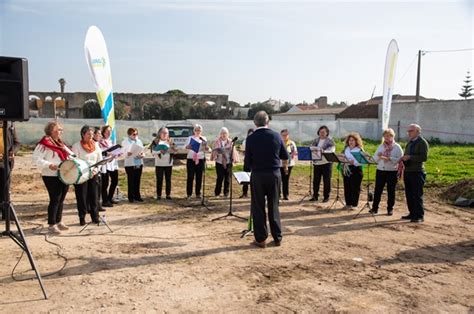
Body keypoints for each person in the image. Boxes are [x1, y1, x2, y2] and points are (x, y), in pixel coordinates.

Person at [244, 111, 289, 248]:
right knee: (273, 205)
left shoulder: (251, 138)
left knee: (258, 206)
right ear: (268, 121)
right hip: (274, 174)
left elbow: (247, 163)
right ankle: (277, 237)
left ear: (254, 123)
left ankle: (261, 238)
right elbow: (285, 155)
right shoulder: (276, 135)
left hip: (258, 175)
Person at [32, 121, 72, 234]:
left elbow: (70, 155)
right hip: (50, 175)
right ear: (51, 131)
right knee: (55, 199)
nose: (61, 132)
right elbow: (36, 159)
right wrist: (49, 165)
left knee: (61, 199)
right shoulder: (44, 144)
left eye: (61, 130)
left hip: (64, 174)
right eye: (58, 130)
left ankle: (59, 221)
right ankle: (51, 224)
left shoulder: (60, 143)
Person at [72, 125, 103, 226]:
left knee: (94, 196)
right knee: (82, 196)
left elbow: (99, 160)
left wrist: (96, 170)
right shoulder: (76, 146)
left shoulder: (96, 145)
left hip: (93, 174)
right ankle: (82, 217)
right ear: (83, 134)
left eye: (92, 134)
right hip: (81, 175)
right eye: (88, 134)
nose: (91, 136)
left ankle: (95, 217)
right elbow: (74, 161)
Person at [370, 128, 404, 216]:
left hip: (392, 171)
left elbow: (400, 159)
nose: (387, 138)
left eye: (389, 136)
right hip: (380, 170)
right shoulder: (381, 146)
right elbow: (375, 159)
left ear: (393, 136)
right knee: (378, 190)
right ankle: (375, 208)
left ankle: (390, 209)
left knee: (391, 191)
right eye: (385, 136)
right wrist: (378, 156)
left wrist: (389, 158)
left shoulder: (397, 147)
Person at [401, 124, 429, 223]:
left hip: (417, 172)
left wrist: (410, 157)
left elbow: (424, 158)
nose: (409, 132)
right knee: (409, 194)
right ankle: (412, 213)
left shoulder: (422, 142)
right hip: (408, 171)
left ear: (418, 131)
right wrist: (404, 158)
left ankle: (419, 216)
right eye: (408, 131)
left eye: (411, 131)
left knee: (417, 194)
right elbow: (406, 154)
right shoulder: (409, 142)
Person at [309, 125, 336, 202]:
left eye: (324, 132)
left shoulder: (330, 141)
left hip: (326, 163)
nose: (322, 133)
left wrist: (323, 151)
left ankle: (326, 197)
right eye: (320, 132)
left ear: (327, 133)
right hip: (317, 163)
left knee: (326, 180)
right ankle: (315, 196)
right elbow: (311, 148)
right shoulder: (316, 140)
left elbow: (332, 150)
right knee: (316, 180)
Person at [211, 127, 239, 198]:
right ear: (220, 134)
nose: (224, 135)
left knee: (227, 179)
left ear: (228, 134)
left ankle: (226, 193)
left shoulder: (230, 142)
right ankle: (217, 193)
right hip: (219, 162)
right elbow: (214, 150)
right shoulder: (217, 141)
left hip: (228, 162)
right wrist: (217, 152)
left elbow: (234, 152)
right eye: (222, 133)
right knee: (219, 178)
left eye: (225, 133)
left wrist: (233, 157)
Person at [0, 122, 20, 221]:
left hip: (6, 162)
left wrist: (13, 151)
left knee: (5, 187)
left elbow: (17, 143)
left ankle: (6, 213)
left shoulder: (10, 125)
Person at [184, 124, 209, 199]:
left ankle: (198, 193)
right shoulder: (189, 138)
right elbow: (184, 147)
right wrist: (187, 147)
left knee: (199, 177)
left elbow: (208, 149)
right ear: (194, 131)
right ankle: (189, 194)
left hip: (200, 159)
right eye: (196, 130)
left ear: (201, 131)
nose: (198, 132)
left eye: (199, 130)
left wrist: (207, 148)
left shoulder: (203, 138)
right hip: (191, 159)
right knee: (190, 177)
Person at [151, 127, 176, 200]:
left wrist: (174, 150)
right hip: (159, 164)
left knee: (168, 179)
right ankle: (159, 195)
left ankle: (168, 195)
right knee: (159, 179)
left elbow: (175, 150)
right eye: (163, 133)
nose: (165, 134)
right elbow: (152, 152)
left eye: (166, 133)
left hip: (168, 163)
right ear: (160, 133)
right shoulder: (156, 141)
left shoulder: (170, 141)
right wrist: (159, 151)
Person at [342, 132, 364, 210]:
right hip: (347, 169)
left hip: (356, 170)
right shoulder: (346, 148)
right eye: (350, 140)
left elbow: (362, 161)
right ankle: (348, 203)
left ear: (356, 141)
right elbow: (342, 157)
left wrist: (354, 162)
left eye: (353, 140)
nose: (351, 142)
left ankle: (354, 205)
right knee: (347, 186)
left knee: (355, 188)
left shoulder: (359, 149)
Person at [122, 127, 145, 203]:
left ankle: (137, 196)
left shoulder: (139, 141)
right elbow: (123, 153)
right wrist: (128, 153)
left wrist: (142, 155)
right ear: (129, 135)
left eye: (136, 134)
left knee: (137, 180)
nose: (135, 135)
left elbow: (142, 150)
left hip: (139, 162)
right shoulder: (125, 142)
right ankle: (131, 197)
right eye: (134, 134)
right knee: (131, 181)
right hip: (130, 164)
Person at [99, 125, 119, 207]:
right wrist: (107, 153)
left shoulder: (111, 141)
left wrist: (117, 152)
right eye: (107, 131)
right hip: (105, 164)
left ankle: (110, 197)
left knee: (115, 181)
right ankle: (105, 200)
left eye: (110, 131)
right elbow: (100, 153)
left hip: (113, 164)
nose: (109, 132)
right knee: (105, 183)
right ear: (103, 132)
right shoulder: (100, 142)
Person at [279, 129, 297, 200]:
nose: (285, 136)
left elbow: (295, 152)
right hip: (279, 164)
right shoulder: (279, 142)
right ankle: (278, 194)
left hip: (289, 164)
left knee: (286, 180)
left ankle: (285, 195)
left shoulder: (291, 143)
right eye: (283, 135)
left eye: (286, 135)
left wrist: (290, 155)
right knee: (278, 179)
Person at [239, 128, 254, 198]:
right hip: (247, 161)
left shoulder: (256, 141)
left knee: (254, 178)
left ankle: (254, 193)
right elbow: (243, 150)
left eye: (252, 134)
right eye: (249, 134)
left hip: (254, 162)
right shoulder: (245, 141)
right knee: (245, 177)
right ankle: (244, 193)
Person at [93, 127, 104, 212]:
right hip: (92, 170)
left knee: (99, 189)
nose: (100, 135)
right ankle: (93, 206)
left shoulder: (97, 143)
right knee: (94, 191)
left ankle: (98, 205)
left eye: (100, 134)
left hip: (98, 168)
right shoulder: (92, 143)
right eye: (98, 134)